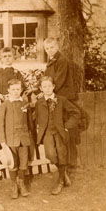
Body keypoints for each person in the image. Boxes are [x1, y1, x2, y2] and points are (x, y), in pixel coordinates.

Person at [35, 76, 80, 195]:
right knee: (51, 155)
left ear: (53, 87)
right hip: (47, 132)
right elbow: (37, 116)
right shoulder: (39, 102)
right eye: (44, 86)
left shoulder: (62, 100)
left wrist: (67, 126)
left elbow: (75, 113)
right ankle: (63, 173)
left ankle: (60, 181)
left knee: (61, 154)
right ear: (41, 88)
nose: (47, 88)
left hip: (60, 132)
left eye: (49, 86)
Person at [43, 37, 79, 171]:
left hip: (63, 97)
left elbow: (58, 80)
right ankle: (63, 165)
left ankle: (69, 164)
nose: (49, 50)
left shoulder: (62, 60)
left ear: (57, 46)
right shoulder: (51, 61)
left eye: (51, 47)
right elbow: (47, 78)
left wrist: (46, 92)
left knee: (64, 130)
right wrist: (38, 87)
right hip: (55, 95)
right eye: (47, 48)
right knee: (58, 131)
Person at [0, 79, 31, 199]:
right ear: (8, 90)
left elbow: (29, 121)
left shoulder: (24, 103)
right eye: (13, 89)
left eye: (18, 89)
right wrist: (3, 141)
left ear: (21, 90)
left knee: (23, 162)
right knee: (13, 163)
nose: (16, 92)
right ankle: (14, 185)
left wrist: (29, 135)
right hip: (11, 139)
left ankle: (21, 183)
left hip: (24, 138)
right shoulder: (5, 105)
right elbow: (0, 124)